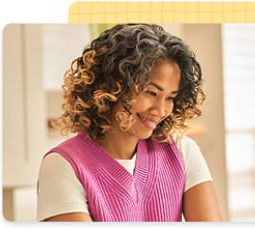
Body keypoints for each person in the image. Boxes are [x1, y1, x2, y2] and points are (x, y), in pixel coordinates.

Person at [37, 24, 222, 222]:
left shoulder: (182, 152)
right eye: (151, 93)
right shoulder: (63, 165)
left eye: (170, 98)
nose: (161, 111)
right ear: (112, 86)